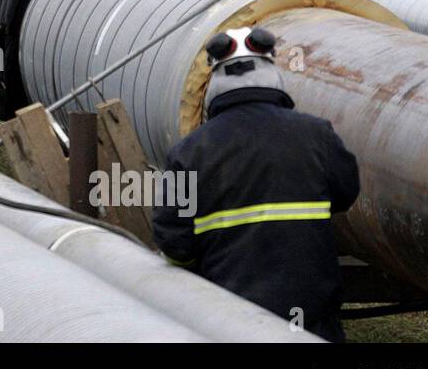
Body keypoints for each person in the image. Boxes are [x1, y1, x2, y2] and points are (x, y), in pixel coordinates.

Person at [152, 26, 361, 342]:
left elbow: (174, 241)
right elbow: (346, 192)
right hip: (311, 316)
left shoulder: (188, 153)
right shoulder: (317, 135)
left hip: (226, 320)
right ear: (271, 73)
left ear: (215, 81)